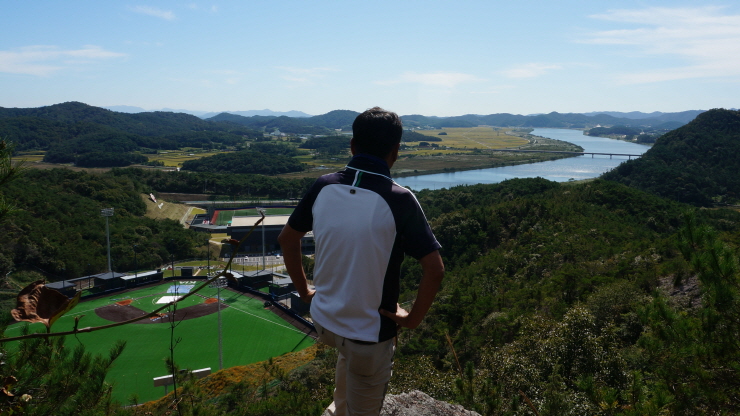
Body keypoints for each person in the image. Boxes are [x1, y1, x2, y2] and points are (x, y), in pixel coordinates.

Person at [278, 107, 445, 415]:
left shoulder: (324, 185)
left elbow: (288, 239)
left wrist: (304, 292)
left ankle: (338, 409)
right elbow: (434, 270)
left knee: (347, 359)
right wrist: (412, 320)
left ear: (353, 146)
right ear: (395, 151)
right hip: (369, 334)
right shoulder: (399, 199)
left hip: (326, 321)